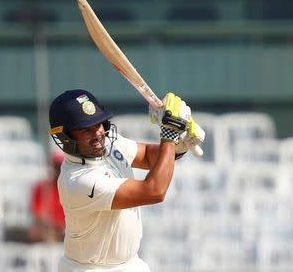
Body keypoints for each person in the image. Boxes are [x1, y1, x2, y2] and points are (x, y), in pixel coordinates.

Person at [48, 89, 204, 272]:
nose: (98, 134)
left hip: (130, 265)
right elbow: (154, 191)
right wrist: (169, 134)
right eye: (85, 130)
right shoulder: (78, 181)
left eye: (99, 124)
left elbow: (146, 156)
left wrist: (178, 146)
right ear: (65, 138)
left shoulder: (106, 145)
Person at [28, 150, 66, 243]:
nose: (59, 171)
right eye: (56, 167)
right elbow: (38, 217)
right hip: (48, 232)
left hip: (68, 232)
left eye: (61, 167)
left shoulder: (74, 189)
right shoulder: (42, 189)